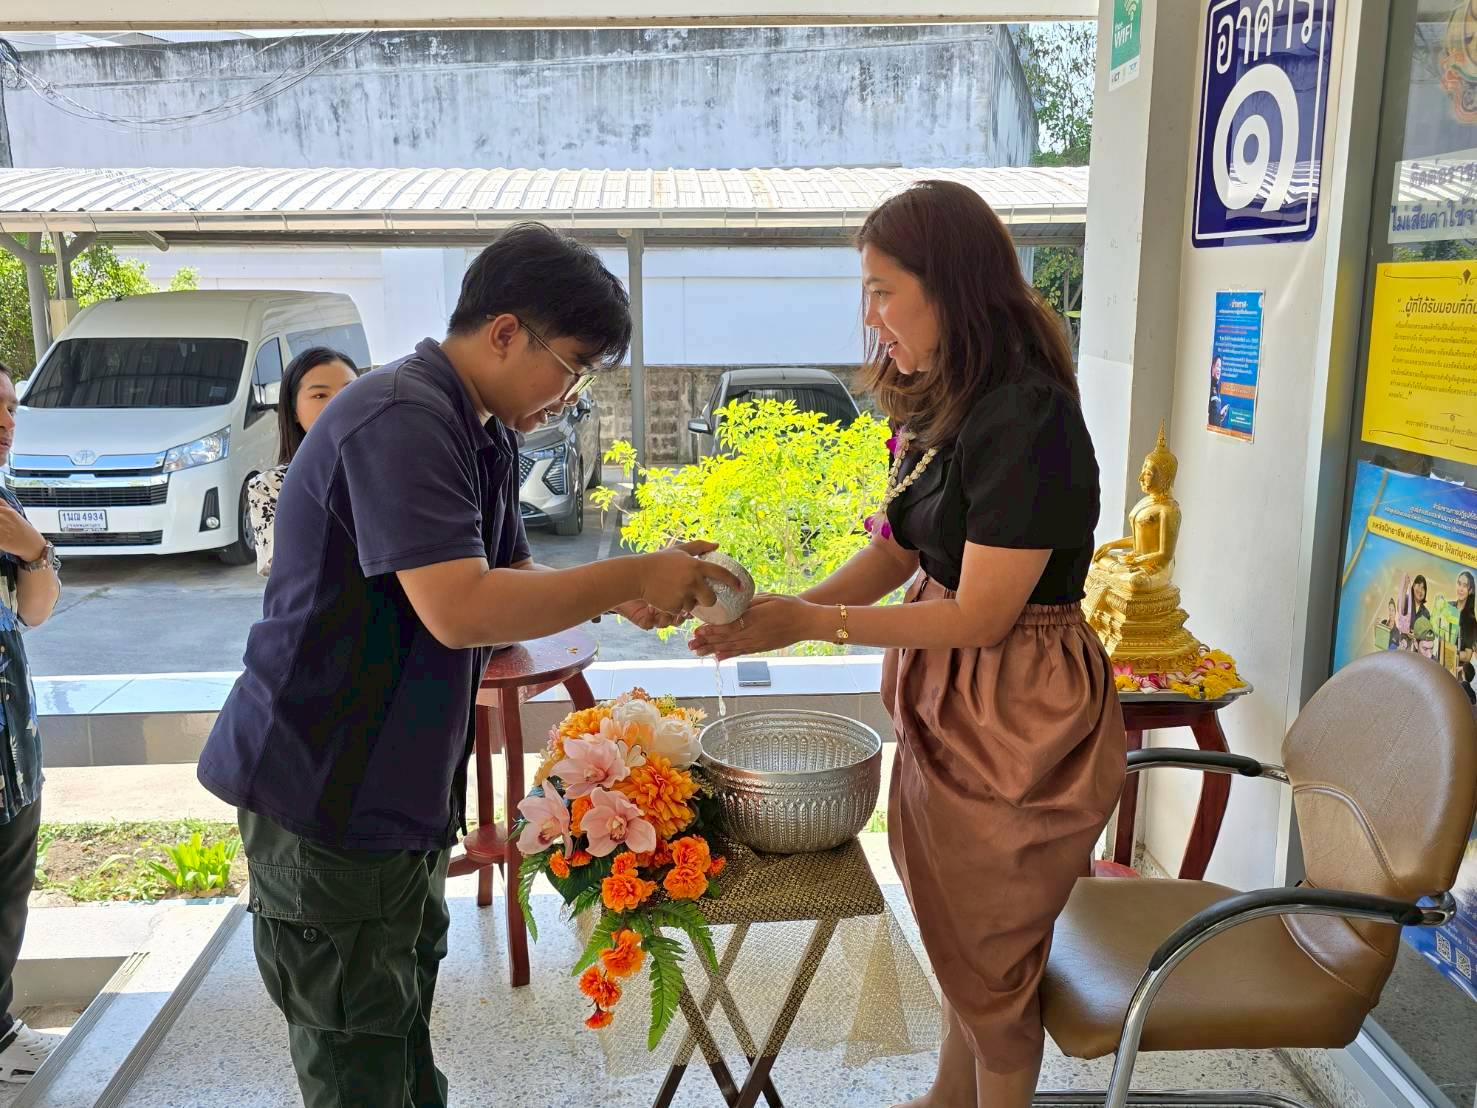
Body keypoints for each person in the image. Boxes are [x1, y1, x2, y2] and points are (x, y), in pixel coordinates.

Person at [195, 223, 737, 1108]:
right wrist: (631, 571)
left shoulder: (475, 426)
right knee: (358, 1053)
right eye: (570, 366)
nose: (569, 395)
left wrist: (621, 594)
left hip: (391, 788)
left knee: (396, 1029)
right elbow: (459, 610)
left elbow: (511, 577)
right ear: (503, 332)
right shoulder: (404, 414)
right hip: (327, 790)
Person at [691, 181, 1126, 1108]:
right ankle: (945, 1096)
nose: (870, 314)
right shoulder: (945, 397)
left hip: (1016, 708)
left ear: (951, 285)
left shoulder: (1026, 416)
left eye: (884, 289)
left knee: (995, 955)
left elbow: (981, 616)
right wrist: (783, 606)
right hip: (949, 692)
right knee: (955, 923)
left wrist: (810, 625)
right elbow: (899, 545)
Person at [0, 368, 63, 1086]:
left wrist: (32, 547)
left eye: (12, 408)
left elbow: (36, 610)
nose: (5, 421)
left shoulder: (6, 501)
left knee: (9, 888)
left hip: (13, 743)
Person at [247, 347, 359, 576]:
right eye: (320, 395)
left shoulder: (388, 468)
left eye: (350, 391)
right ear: (293, 410)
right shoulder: (271, 486)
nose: (339, 404)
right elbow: (285, 569)